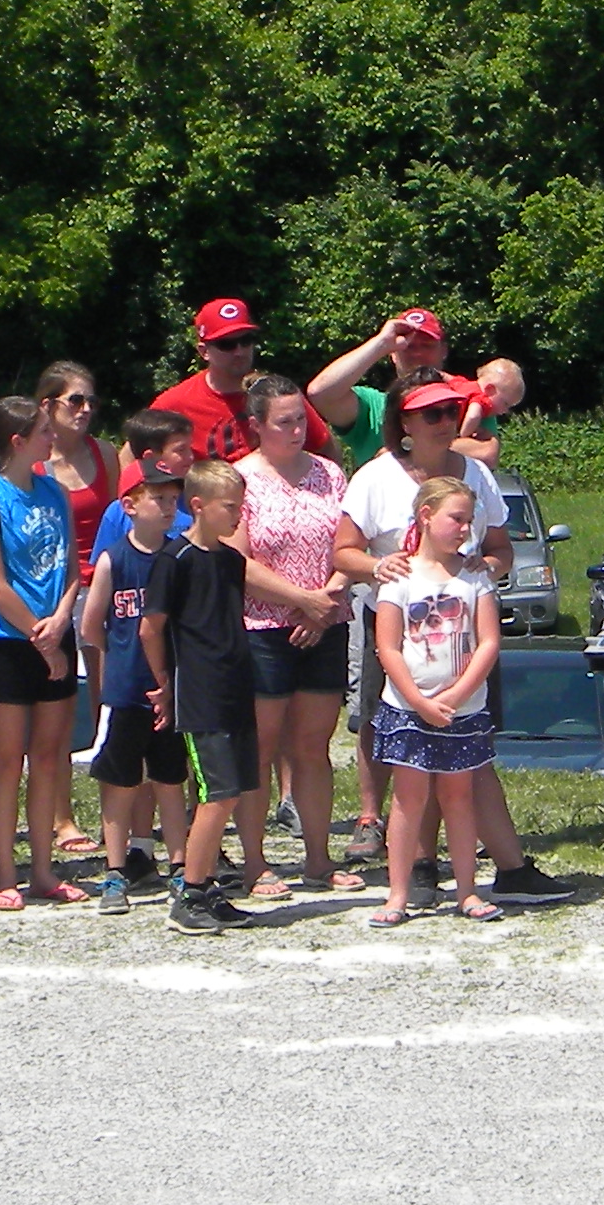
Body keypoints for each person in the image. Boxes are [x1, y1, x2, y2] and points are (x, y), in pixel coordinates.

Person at [339, 374, 502, 860]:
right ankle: (384, 832)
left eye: (451, 412)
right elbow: (343, 552)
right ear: (404, 421)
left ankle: (460, 856)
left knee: (467, 744)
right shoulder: (376, 475)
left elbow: (500, 549)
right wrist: (376, 565)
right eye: (431, 413)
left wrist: (483, 568)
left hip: (464, 632)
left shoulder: (475, 473)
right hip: (395, 625)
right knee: (387, 729)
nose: (443, 422)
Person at [232, 374, 362, 898]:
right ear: (256, 425)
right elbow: (235, 559)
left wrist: (323, 602)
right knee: (260, 747)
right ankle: (256, 862)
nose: (296, 430)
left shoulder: (330, 474)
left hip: (325, 623)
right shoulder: (240, 480)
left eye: (301, 419)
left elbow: (350, 546)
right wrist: (299, 599)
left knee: (313, 747)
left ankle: (317, 859)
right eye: (284, 422)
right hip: (262, 627)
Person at [0, 393, 89, 910]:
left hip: (56, 634)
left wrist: (61, 619)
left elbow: (70, 569)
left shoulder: (54, 491)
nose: (51, 437)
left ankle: (43, 870)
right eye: (42, 430)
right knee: (6, 761)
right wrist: (41, 637)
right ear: (18, 441)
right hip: (8, 643)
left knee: (48, 758)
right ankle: (6, 876)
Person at [367, 475, 509, 926]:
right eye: (457, 519)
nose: (465, 529)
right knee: (408, 799)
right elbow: (387, 647)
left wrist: (455, 695)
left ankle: (467, 891)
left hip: (463, 709)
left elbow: (488, 642)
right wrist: (420, 701)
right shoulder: (400, 576)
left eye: (470, 521)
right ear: (426, 516)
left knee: (458, 797)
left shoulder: (474, 576)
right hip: (407, 709)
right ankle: (397, 895)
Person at [143, 459, 261, 935]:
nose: (238, 514)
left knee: (234, 792)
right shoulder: (175, 560)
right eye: (230, 506)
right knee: (217, 794)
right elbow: (151, 627)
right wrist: (165, 683)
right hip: (200, 693)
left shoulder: (230, 561)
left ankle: (207, 885)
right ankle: (188, 892)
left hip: (235, 686)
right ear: (199, 506)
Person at [86, 467, 187, 910]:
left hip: (172, 688)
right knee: (120, 781)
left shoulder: (179, 556)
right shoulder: (114, 558)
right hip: (127, 689)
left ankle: (181, 867)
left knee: (170, 778)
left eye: (172, 500)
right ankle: (114, 872)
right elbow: (92, 625)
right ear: (129, 505)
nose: (168, 508)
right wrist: (122, 657)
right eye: (158, 499)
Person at [31, 360, 117, 858]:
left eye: (90, 401)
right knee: (59, 713)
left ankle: (118, 813)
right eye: (74, 401)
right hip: (56, 595)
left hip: (104, 592)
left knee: (111, 705)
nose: (85, 410)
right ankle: (61, 816)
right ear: (48, 406)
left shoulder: (105, 454)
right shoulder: (35, 462)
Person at [153, 299, 335, 466]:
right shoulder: (176, 403)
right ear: (204, 351)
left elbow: (325, 449)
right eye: (226, 344)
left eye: (246, 340)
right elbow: (135, 455)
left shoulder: (277, 395)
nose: (239, 351)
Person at [308, 308, 448, 473]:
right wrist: (382, 343)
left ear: (443, 351)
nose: (417, 353)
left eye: (427, 345)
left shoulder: (467, 397)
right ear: (393, 354)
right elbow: (320, 393)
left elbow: (487, 450)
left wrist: (410, 449)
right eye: (408, 346)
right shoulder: (374, 407)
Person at [454, 358, 525, 470]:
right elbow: (473, 415)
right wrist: (464, 435)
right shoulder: (482, 401)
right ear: (489, 389)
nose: (505, 411)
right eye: (505, 404)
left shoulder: (461, 382)